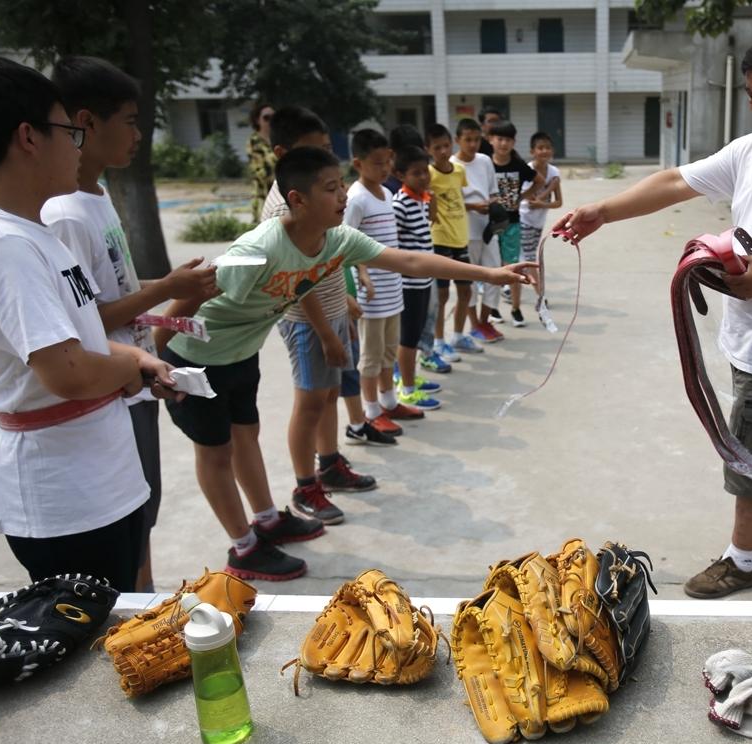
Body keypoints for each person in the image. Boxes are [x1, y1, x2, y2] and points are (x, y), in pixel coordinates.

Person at [553, 29, 752, 598]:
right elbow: (676, 181)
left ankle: (742, 560)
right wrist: (603, 210)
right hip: (750, 341)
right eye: (750, 94)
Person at [158, 146, 530, 581]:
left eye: (341, 187)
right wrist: (153, 360)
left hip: (241, 355)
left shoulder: (334, 241)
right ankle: (243, 550)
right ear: (297, 200)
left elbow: (407, 260)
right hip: (195, 359)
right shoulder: (258, 248)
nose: (342, 197)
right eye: (331, 189)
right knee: (216, 453)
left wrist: (491, 274)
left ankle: (266, 520)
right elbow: (187, 298)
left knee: (247, 437)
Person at [0, 55, 181, 592]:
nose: (78, 144)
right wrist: (128, 369)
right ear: (29, 138)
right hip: (66, 498)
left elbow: (81, 341)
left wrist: (135, 358)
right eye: (68, 130)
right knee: (96, 650)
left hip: (96, 479)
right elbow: (66, 372)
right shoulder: (1, 245)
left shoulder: (32, 232)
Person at [41, 55, 218, 592]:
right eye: (131, 120)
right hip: (109, 389)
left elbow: (113, 289)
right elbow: (83, 317)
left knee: (143, 516)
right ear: (87, 123)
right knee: (129, 523)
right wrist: (166, 288)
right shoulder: (67, 213)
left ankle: (143, 605)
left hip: (134, 380)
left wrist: (166, 293)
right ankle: (135, 612)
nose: (140, 134)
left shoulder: (96, 195)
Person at [261, 106, 376, 526]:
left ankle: (329, 464)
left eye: (328, 151)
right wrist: (327, 332)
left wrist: (342, 302)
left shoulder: (318, 200)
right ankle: (305, 485)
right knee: (309, 402)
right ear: (283, 154)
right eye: (314, 154)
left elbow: (327, 260)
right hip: (307, 321)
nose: (325, 163)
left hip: (330, 311)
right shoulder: (282, 211)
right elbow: (296, 282)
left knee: (328, 395)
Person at [342, 128, 413, 444]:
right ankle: (371, 412)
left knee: (387, 353)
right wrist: (363, 274)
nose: (385, 169)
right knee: (369, 358)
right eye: (377, 163)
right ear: (358, 163)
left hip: (392, 291)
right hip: (370, 295)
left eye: (388, 162)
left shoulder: (386, 193)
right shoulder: (356, 199)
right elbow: (343, 243)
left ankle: (389, 402)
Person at [392, 145, 444, 410]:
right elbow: (393, 245)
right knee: (408, 338)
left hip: (424, 280)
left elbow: (428, 229)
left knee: (417, 333)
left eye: (426, 171)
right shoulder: (399, 204)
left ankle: (411, 378)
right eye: (416, 173)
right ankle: (407, 390)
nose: (424, 177)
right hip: (408, 282)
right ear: (401, 175)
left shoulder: (422, 199)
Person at [454, 118, 504, 345]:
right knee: (470, 281)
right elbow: (450, 204)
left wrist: (494, 206)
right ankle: (474, 325)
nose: (472, 144)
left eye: (476, 139)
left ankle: (485, 321)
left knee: (496, 274)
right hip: (464, 231)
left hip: (488, 228)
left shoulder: (485, 161)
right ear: (458, 140)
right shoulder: (452, 165)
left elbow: (493, 191)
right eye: (468, 140)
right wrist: (473, 206)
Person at [487, 120, 541, 327]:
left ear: (513, 142)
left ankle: (516, 309)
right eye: (499, 139)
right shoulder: (486, 164)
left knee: (512, 267)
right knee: (491, 268)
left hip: (512, 223)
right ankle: (493, 308)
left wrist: (522, 197)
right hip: (489, 224)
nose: (503, 143)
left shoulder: (518, 165)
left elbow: (539, 180)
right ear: (491, 140)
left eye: (508, 139)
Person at [425, 123, 471, 365]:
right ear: (428, 149)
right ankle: (438, 341)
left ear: (452, 143)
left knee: (466, 290)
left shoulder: (459, 170)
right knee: (442, 295)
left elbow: (460, 198)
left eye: (445, 146)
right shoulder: (427, 174)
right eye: (436, 148)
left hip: (460, 237)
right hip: (439, 239)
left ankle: (459, 336)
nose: (442, 151)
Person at [519, 131, 563, 279]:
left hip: (539, 222)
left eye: (548, 147)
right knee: (530, 257)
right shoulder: (527, 170)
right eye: (540, 148)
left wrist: (544, 199)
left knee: (526, 254)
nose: (545, 151)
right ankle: (540, 296)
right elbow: (531, 202)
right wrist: (549, 188)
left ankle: (512, 283)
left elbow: (558, 202)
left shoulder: (554, 171)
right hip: (524, 219)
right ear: (532, 151)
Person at [246, 102, 275, 222]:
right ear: (257, 120)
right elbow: (259, 170)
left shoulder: (279, 139)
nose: (270, 121)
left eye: (273, 117)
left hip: (281, 193)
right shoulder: (254, 141)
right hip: (264, 195)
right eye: (266, 118)